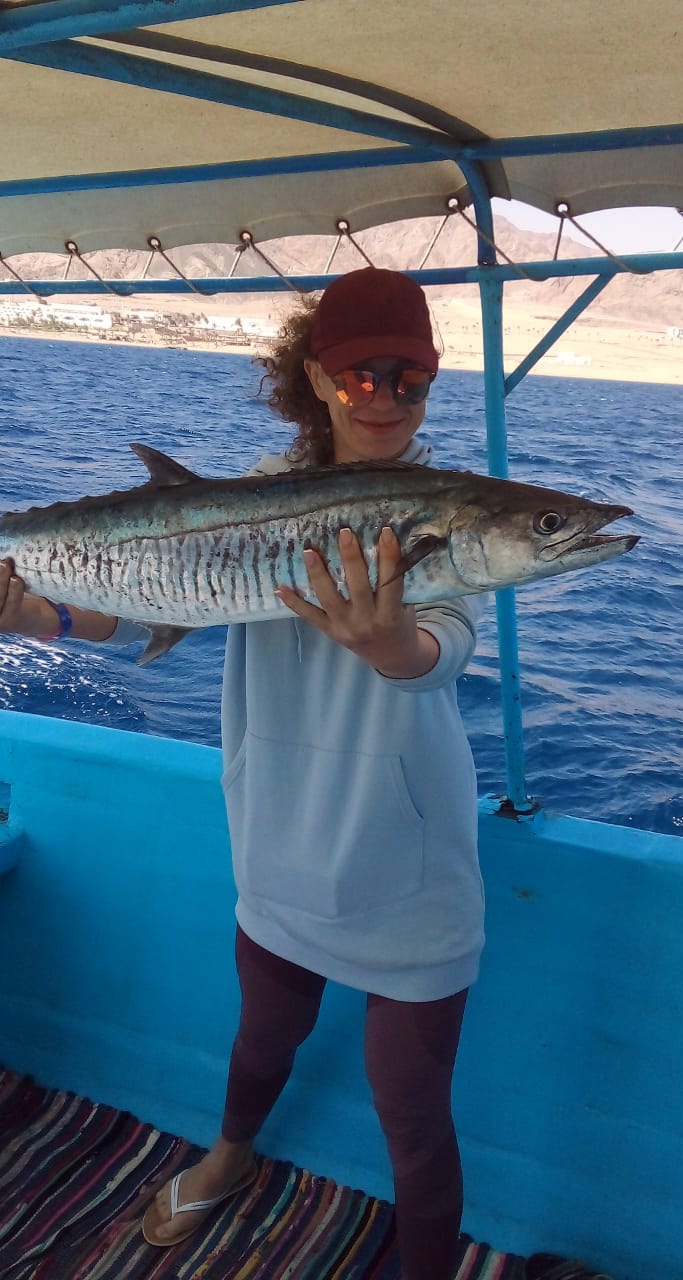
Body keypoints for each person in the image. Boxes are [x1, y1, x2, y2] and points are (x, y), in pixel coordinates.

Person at [0, 268, 486, 1280]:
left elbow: (442, 648)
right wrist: (39, 613)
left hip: (408, 860)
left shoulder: (443, 510)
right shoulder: (253, 493)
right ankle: (229, 1155)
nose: (385, 396)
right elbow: (149, 601)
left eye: (410, 378)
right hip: (277, 836)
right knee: (261, 1040)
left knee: (413, 1110)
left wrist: (391, 644)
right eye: (360, 375)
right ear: (317, 377)